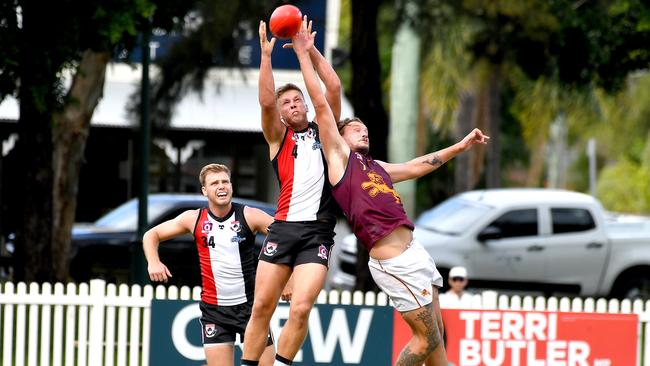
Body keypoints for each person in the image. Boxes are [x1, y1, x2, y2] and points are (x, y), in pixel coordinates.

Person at [289, 17, 489, 366]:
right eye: (355, 129)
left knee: (437, 338)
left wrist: (461, 145)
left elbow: (417, 166)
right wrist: (306, 55)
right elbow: (324, 100)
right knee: (426, 338)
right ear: (339, 137)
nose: (363, 131)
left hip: (415, 252)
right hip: (394, 261)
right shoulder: (338, 158)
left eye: (365, 128)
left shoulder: (377, 168)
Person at [240, 19, 343, 366]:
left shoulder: (326, 131)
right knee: (261, 307)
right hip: (282, 228)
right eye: (288, 103)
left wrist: (308, 51)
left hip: (317, 232)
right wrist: (266, 58)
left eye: (298, 99)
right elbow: (266, 102)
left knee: (300, 307)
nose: (294, 104)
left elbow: (333, 87)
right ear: (282, 115)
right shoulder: (277, 138)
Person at [143, 163, 276, 366]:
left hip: (251, 309)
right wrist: (154, 262)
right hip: (215, 311)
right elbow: (151, 235)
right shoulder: (194, 219)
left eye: (225, 182)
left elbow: (284, 237)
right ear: (205, 190)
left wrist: (290, 277)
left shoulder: (249, 215)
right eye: (214, 183)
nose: (221, 186)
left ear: (231, 186)